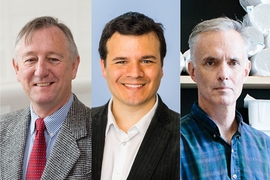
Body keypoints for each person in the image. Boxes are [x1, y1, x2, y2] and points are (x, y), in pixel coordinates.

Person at [0, 16, 91, 179]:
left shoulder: (102, 134)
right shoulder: (2, 130)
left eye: (53, 59)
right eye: (30, 60)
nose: (40, 71)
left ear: (74, 66)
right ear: (16, 69)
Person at [92, 12, 180, 180]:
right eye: (122, 61)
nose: (135, 73)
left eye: (146, 61)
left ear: (161, 67)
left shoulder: (182, 136)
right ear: (103, 67)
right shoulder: (80, 127)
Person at [180, 17, 270, 179]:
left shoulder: (265, 147)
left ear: (245, 71)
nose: (223, 74)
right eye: (211, 63)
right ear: (193, 71)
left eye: (233, 62)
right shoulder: (169, 146)